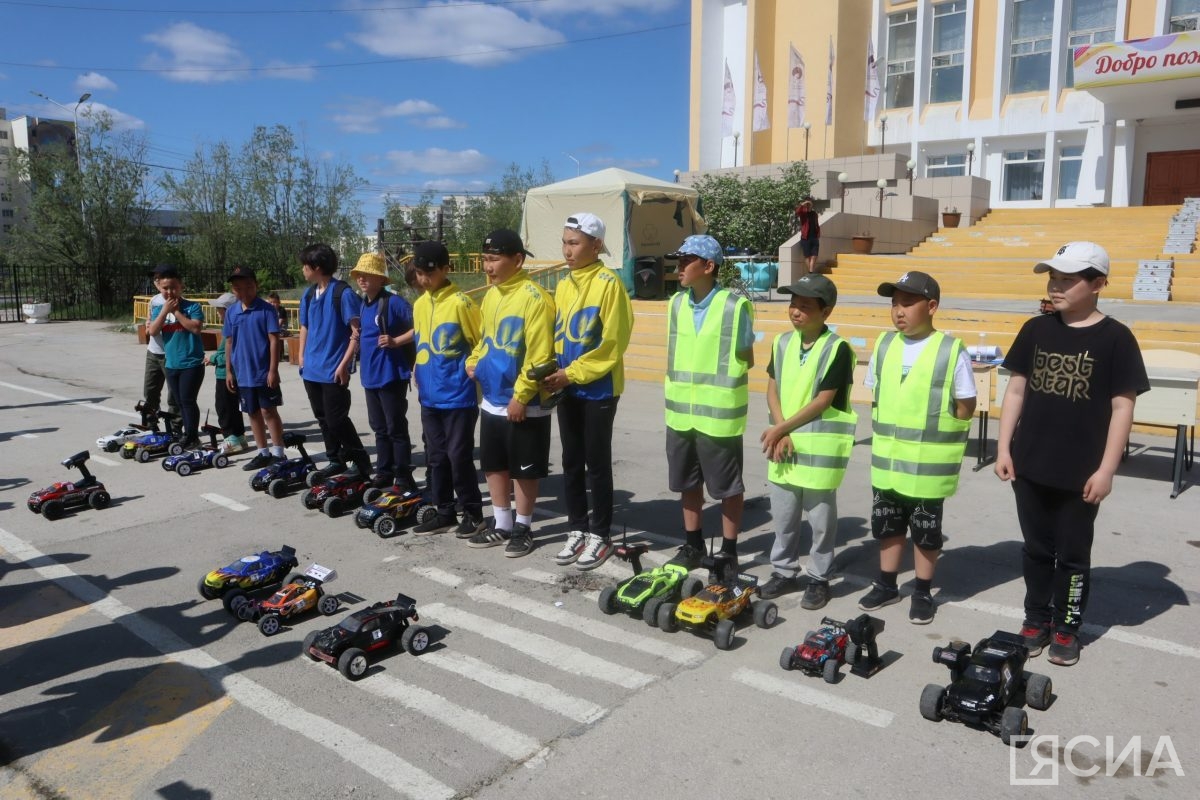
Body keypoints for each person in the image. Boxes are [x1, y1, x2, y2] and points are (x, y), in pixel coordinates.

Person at [995, 242, 1148, 667]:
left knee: (1073, 557)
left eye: (1068, 278)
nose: (1056, 286)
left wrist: (1107, 470)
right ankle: (1035, 619)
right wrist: (1004, 447)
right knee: (1036, 551)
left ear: (1098, 284)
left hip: (1082, 474)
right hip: (1029, 465)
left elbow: (1123, 407)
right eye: (1053, 277)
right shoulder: (1036, 329)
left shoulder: (1117, 338)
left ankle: (1066, 628)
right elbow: (1016, 390)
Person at [859, 271, 975, 624]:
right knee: (888, 527)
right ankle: (887, 584)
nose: (899, 311)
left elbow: (965, 404)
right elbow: (876, 393)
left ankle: (923, 591)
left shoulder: (950, 350)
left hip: (927, 468)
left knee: (925, 532)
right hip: (889, 464)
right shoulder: (884, 344)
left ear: (932, 306)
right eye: (894, 303)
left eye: (908, 303)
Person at [758, 274, 857, 609]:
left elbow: (823, 400)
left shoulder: (837, 349)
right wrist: (780, 431)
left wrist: (780, 428)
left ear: (825, 312)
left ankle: (818, 577)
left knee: (820, 521)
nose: (795, 311)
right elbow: (772, 387)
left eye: (805, 306)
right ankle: (784, 572)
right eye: (793, 304)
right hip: (782, 446)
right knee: (783, 518)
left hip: (817, 454)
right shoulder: (783, 343)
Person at [544, 213, 633, 571]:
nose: (567, 250)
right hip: (567, 386)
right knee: (570, 462)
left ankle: (600, 534)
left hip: (598, 389)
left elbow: (613, 344)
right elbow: (558, 334)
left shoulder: (610, 284)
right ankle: (576, 529)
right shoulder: (564, 284)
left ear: (596, 245)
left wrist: (573, 374)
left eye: (574, 243)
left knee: (596, 464)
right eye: (565, 242)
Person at [663, 234, 755, 577]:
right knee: (687, 484)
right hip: (680, 414)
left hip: (719, 418)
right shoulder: (675, 304)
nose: (679, 267)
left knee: (727, 488)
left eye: (686, 261)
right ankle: (693, 544)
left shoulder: (734, 306)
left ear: (709, 266)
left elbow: (746, 356)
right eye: (679, 260)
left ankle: (729, 551)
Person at [464, 229, 555, 558]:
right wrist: (474, 362)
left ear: (517, 260)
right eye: (485, 260)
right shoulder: (491, 295)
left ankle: (523, 526)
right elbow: (485, 340)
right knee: (494, 465)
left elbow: (540, 355)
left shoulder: (535, 298)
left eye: (494, 259)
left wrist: (522, 395)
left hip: (524, 403)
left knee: (524, 469)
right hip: (492, 399)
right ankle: (501, 522)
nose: (488, 267)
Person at [409, 241, 486, 537]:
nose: (424, 278)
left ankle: (473, 513)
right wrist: (417, 364)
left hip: (458, 395)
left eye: (429, 272)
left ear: (445, 269)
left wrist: (473, 370)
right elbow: (422, 344)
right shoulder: (419, 304)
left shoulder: (462, 303)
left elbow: (481, 342)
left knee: (459, 456)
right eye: (419, 273)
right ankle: (444, 511)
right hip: (429, 396)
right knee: (436, 457)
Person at [297, 243, 371, 481]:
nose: (302, 271)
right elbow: (304, 326)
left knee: (336, 419)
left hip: (333, 369)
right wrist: (301, 355)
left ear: (317, 267)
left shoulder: (343, 293)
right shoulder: (309, 294)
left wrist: (344, 364)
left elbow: (356, 332)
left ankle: (361, 461)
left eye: (305, 266)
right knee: (322, 419)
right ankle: (334, 459)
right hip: (312, 368)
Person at [350, 252, 418, 494]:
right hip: (370, 376)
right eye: (360, 275)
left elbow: (419, 327)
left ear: (380, 278)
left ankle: (403, 474)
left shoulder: (394, 303)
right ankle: (385, 471)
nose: (362, 279)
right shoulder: (364, 304)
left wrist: (395, 340)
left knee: (395, 428)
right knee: (379, 427)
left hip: (391, 375)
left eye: (368, 275)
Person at [223, 265, 287, 471]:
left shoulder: (266, 309)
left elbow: (274, 340)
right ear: (234, 290)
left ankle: (278, 452)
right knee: (252, 412)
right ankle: (262, 453)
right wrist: (229, 371)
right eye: (238, 288)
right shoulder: (232, 312)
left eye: (248, 286)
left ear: (256, 285)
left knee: (268, 410)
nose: (244, 291)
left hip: (263, 371)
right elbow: (229, 342)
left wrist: (273, 370)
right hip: (243, 373)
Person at [145, 267, 205, 449]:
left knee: (187, 400)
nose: (169, 292)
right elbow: (153, 331)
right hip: (171, 363)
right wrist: (165, 311)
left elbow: (195, 328)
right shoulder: (158, 309)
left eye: (173, 287)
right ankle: (186, 434)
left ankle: (192, 436)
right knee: (179, 401)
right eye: (165, 288)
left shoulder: (192, 306)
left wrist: (177, 312)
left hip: (191, 362)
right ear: (160, 288)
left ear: (181, 287)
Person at [205, 292, 248, 454]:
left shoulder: (232, 328)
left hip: (226, 374)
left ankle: (230, 437)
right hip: (231, 373)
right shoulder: (233, 326)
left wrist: (214, 358)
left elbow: (230, 353)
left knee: (224, 407)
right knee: (233, 406)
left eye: (220, 309)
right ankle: (240, 436)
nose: (218, 312)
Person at [141, 265, 180, 424]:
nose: (156, 281)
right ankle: (151, 421)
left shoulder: (179, 300)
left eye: (159, 277)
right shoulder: (155, 300)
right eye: (155, 279)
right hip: (154, 351)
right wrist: (149, 324)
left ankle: (176, 424)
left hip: (171, 354)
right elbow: (150, 325)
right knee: (150, 390)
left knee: (174, 394)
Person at [794, 197, 821, 274]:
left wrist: (818, 233)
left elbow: (817, 224)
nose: (808, 205)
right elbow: (797, 212)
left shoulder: (814, 213)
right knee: (807, 256)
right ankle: (811, 272)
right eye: (807, 204)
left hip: (815, 237)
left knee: (814, 255)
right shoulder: (803, 213)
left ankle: (810, 271)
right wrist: (803, 204)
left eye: (810, 203)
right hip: (806, 238)